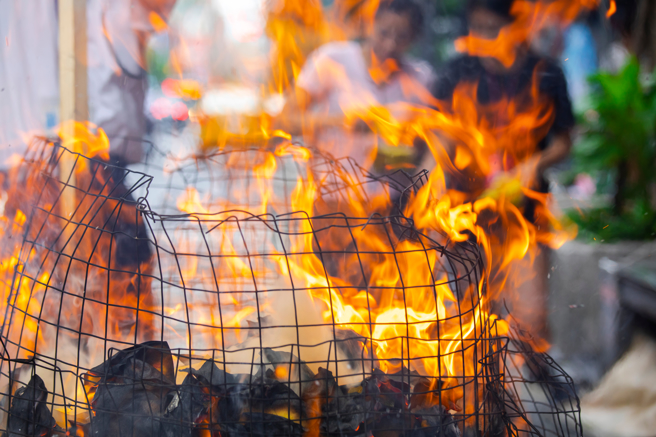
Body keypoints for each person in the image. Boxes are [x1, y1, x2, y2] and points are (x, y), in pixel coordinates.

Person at [433, 0, 575, 341]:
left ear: (518, 28)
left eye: (491, 29)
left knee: (528, 320)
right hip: (465, 213)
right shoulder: (458, 71)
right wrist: (431, 205)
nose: (481, 38)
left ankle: (522, 383)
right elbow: (440, 145)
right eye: (475, 28)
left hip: (523, 213)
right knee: (464, 321)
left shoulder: (547, 72)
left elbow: (564, 141)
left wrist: (531, 165)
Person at [279, 0, 435, 171]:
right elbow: (285, 120)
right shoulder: (332, 59)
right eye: (383, 33)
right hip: (331, 190)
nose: (390, 44)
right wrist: (341, 121)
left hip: (394, 194)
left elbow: (431, 141)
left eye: (401, 37)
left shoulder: (422, 78)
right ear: (370, 24)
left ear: (414, 38)